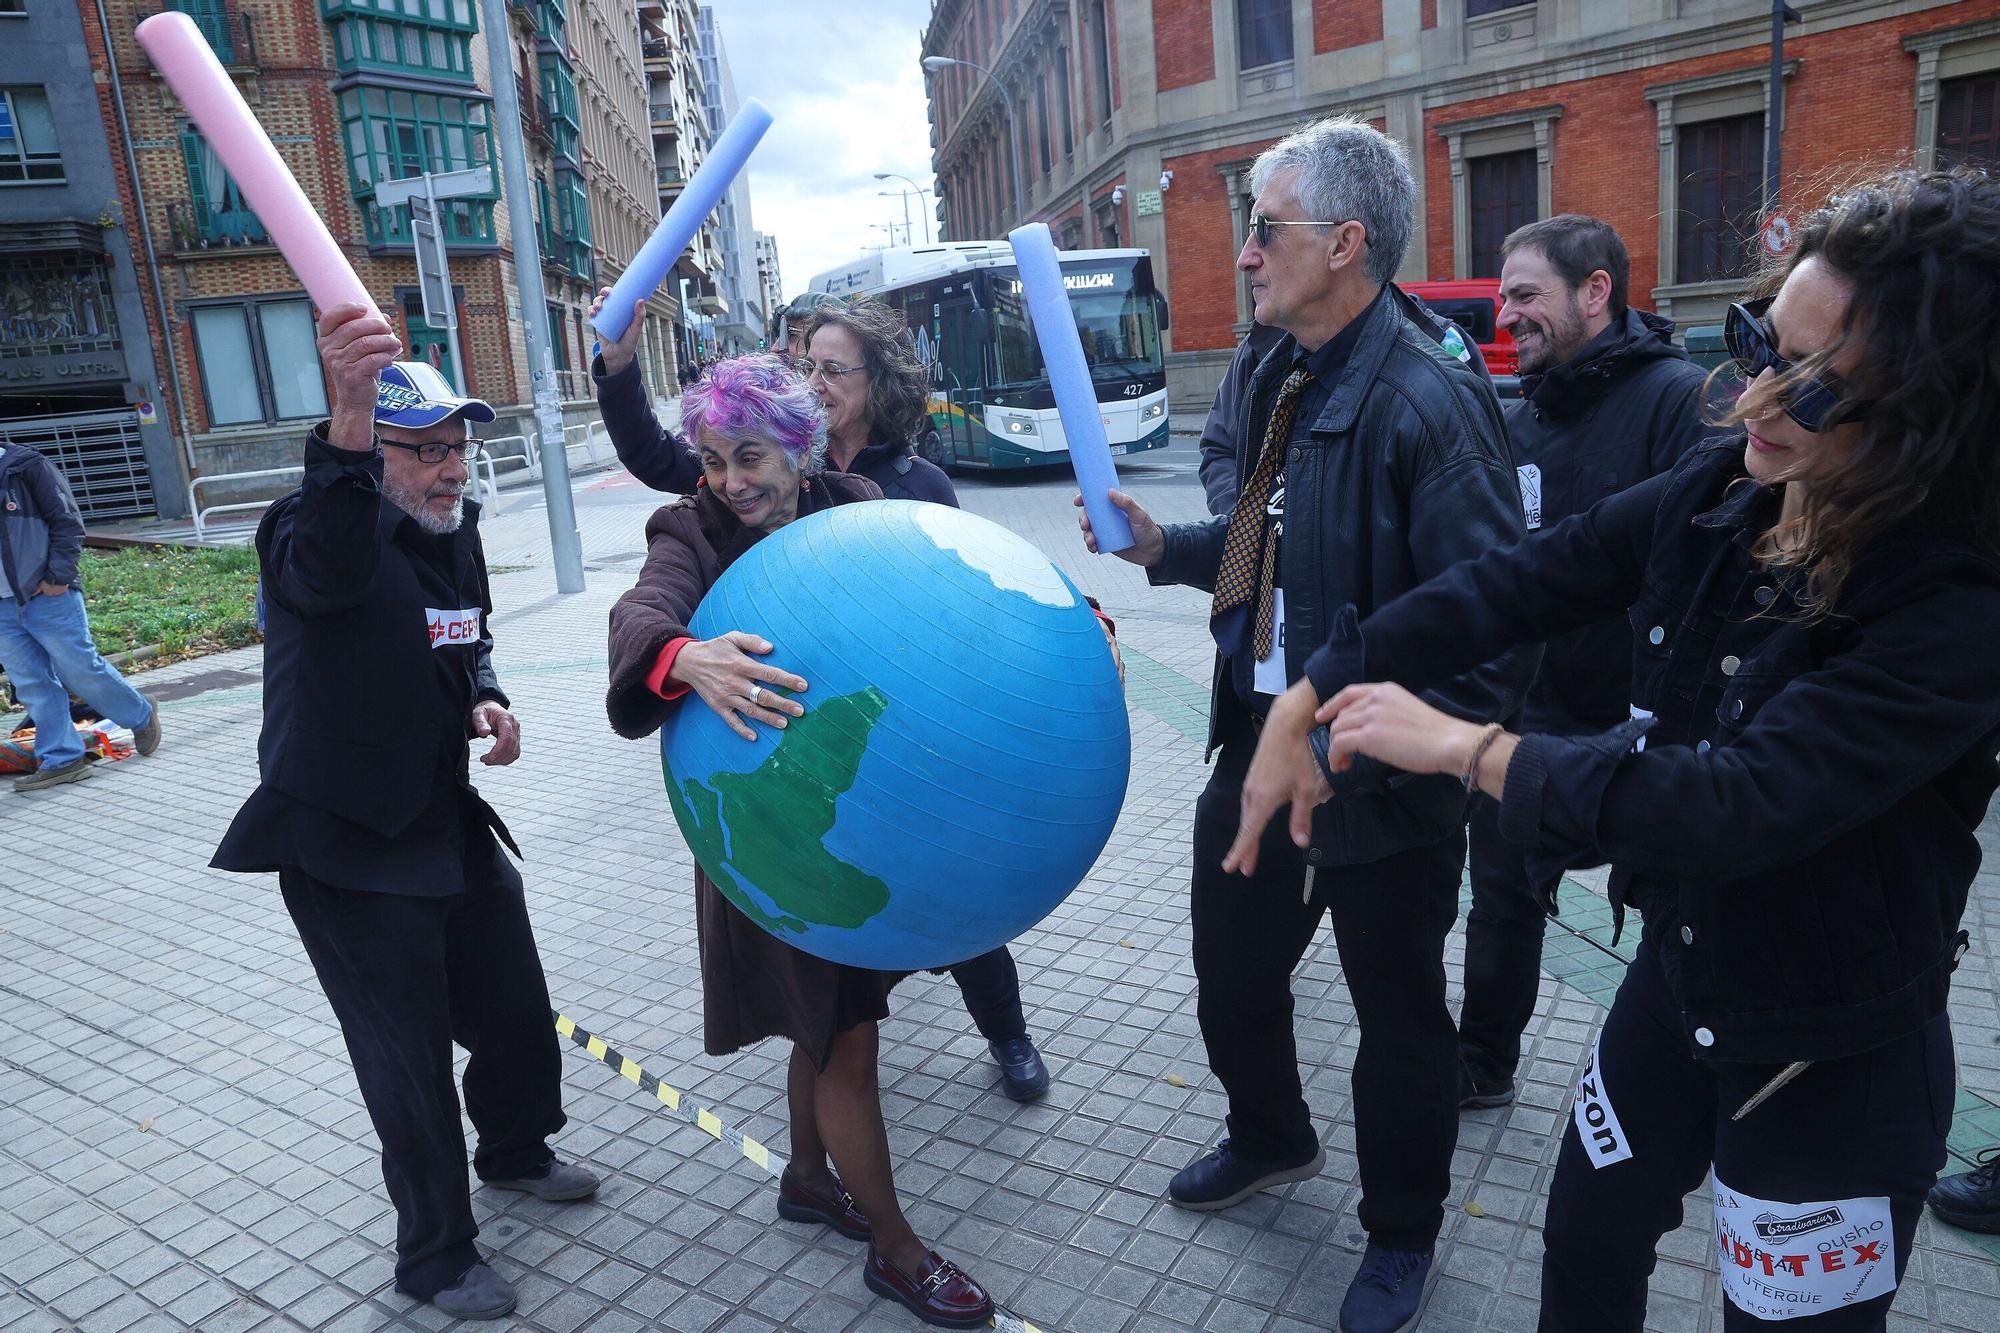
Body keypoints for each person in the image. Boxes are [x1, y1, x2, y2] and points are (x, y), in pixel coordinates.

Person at [1225, 167, 2000, 1330]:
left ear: (1928, 428)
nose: (1750, 402)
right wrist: (1327, 679)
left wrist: (1470, 750)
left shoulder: (1957, 607)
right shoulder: (1727, 489)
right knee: (1584, 1246)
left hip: (1830, 1055)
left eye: (1815, 393)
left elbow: (1734, 803)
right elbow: (1538, 573)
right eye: (1754, 343)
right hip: (1680, 980)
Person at [1077, 115, 1535, 1333]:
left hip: (1382, 787)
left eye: (1260, 230)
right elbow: (1266, 535)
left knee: (1395, 1017)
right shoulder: (1270, 367)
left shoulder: (1428, 401)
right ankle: (1268, 1135)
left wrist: (1344, 746)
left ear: (1342, 243)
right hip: (1254, 744)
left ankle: (1400, 1234)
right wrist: (1163, 547)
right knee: (1230, 965)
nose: (1238, 256)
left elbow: (1491, 637)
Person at [212, 317, 599, 1321]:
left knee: (514, 1004)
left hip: (440, 817)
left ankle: (513, 1149)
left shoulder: (451, 527)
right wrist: (345, 416)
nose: (448, 468)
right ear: (370, 453)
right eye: (423, 449)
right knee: (408, 1056)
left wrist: (486, 690)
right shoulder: (308, 526)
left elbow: (464, 636)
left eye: (457, 446)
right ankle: (433, 1255)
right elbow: (328, 572)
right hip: (344, 841)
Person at [591, 284, 1061, 1101]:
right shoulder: (713, 498)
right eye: (806, 365)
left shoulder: (886, 490)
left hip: (888, 746)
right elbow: (650, 581)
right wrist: (684, 653)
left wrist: (1072, 617)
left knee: (947, 919)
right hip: (787, 786)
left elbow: (973, 584)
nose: (813, 380)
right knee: (837, 1011)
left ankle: (1004, 1038)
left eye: (831, 368)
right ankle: (831, 1179)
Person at [605, 354, 993, 1329]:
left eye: (749, 456)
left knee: (825, 1020)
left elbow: (954, 587)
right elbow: (643, 610)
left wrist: (1085, 619)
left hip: (854, 812)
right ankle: (895, 1250)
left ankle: (808, 1179)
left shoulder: (851, 501)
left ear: (796, 447)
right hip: (770, 835)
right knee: (845, 1041)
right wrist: (682, 654)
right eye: (712, 459)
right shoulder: (687, 528)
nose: (731, 480)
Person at [1454, 215, 1715, 1111]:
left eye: (1525, 295)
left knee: (1670, 912)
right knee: (1500, 900)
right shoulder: (1521, 412)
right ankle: (1484, 1058)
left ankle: (1684, 1072)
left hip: (1643, 731)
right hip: (1524, 716)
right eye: (1502, 298)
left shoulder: (1681, 400)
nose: (1506, 315)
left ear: (1595, 291)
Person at [0, 440, 160, 790]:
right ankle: (62, 759)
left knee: (79, 669)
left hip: (45, 593)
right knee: (31, 683)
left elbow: (67, 521)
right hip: (2, 607)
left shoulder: (26, 467)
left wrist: (57, 578)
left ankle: (141, 713)